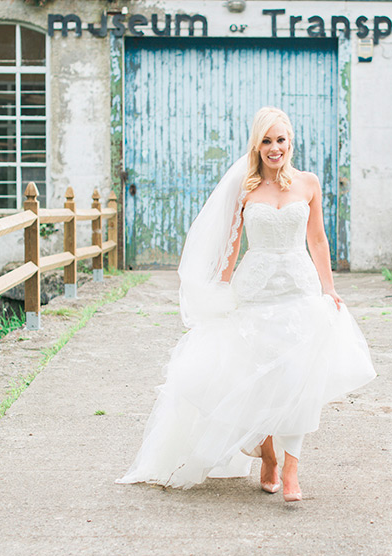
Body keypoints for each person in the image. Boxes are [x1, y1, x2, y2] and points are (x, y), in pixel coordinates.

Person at [117, 106, 376, 501]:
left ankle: (291, 471)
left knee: (296, 380)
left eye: (281, 140)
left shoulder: (308, 183)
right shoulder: (246, 187)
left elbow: (318, 240)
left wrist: (329, 287)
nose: (275, 148)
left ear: (291, 142)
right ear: (257, 145)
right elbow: (231, 245)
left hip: (299, 291)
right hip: (254, 293)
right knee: (256, 381)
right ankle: (268, 456)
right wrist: (219, 292)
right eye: (267, 141)